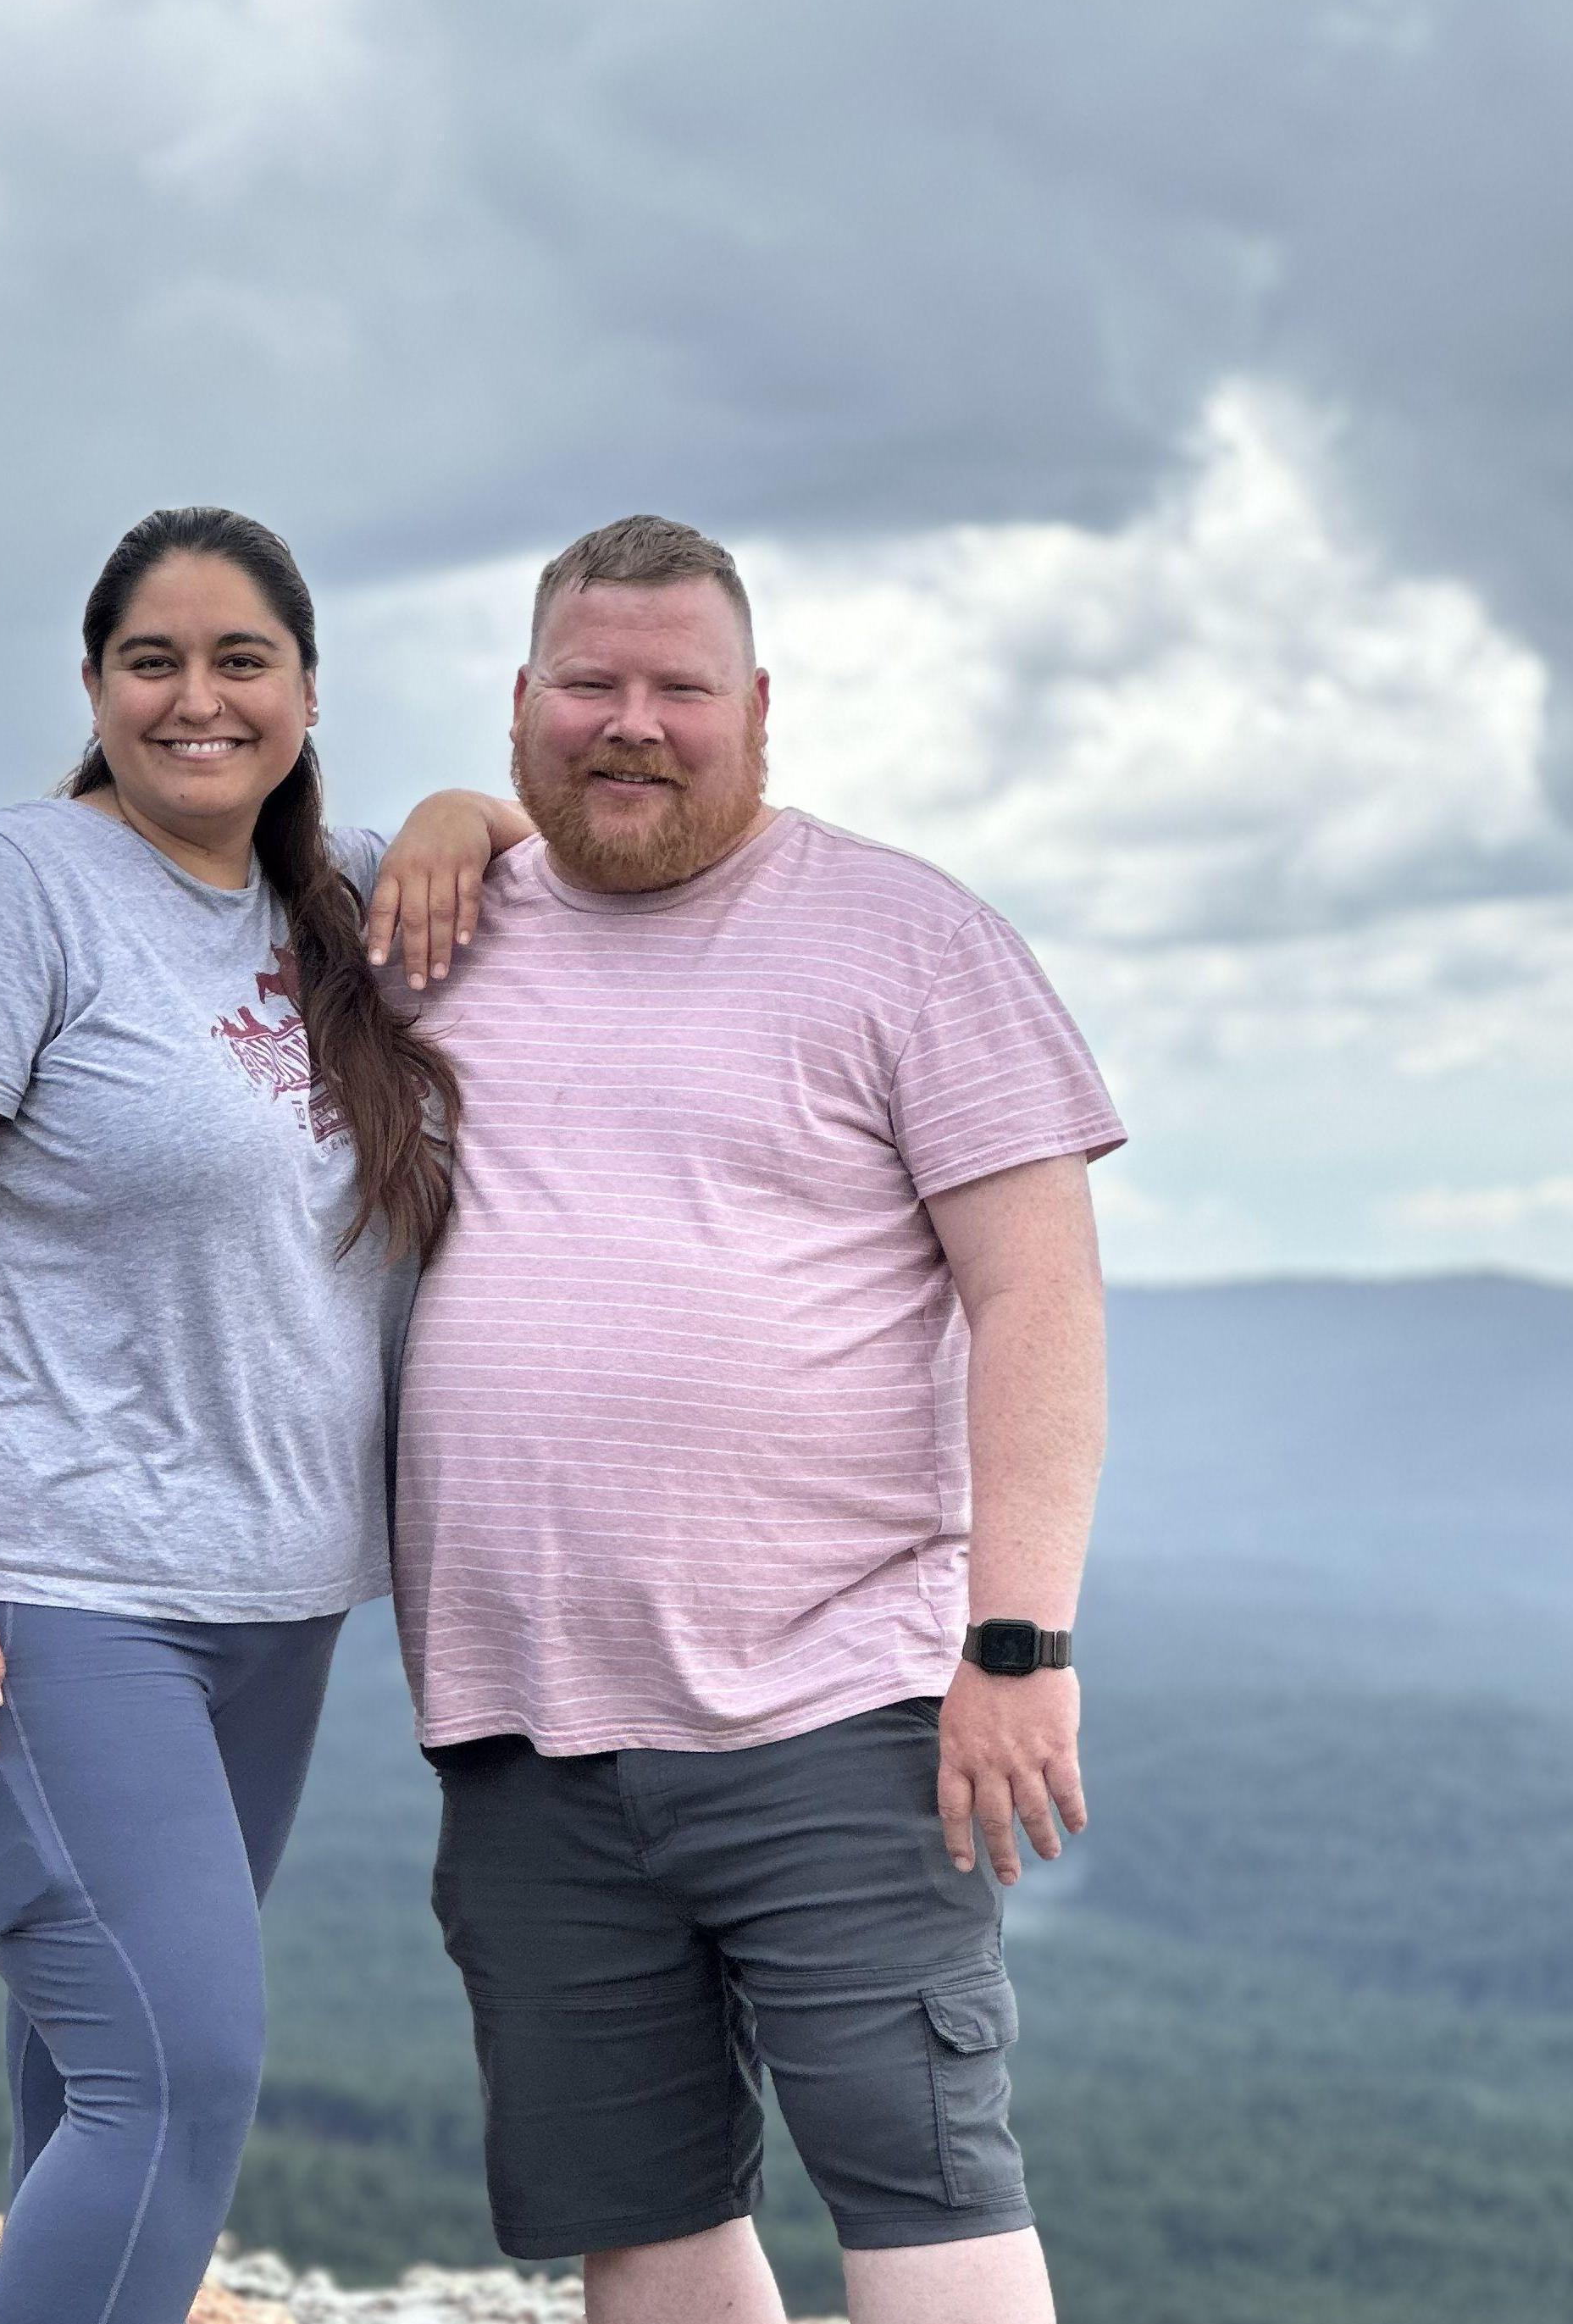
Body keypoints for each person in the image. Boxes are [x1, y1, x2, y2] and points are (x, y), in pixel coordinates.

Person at [0, 505, 525, 2324]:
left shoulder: (327, 895)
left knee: (94, 2048)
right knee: (174, 2069)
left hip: (262, 1603)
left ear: (303, 687)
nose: (196, 698)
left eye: (239, 659)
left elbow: (531, 839)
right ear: (96, 687)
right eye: (152, 660)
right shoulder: (8, 886)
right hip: (43, 1583)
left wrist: (455, 807)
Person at [396, 514, 1126, 2324]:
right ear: (517, 703)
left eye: (677, 687)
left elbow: (1034, 1292)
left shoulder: (902, 933)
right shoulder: (432, 931)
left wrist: (1018, 1635)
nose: (629, 721)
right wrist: (438, 815)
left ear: (758, 707)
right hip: (520, 1715)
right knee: (634, 2212)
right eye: (587, 682)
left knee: (919, 2177)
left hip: (836, 1693)